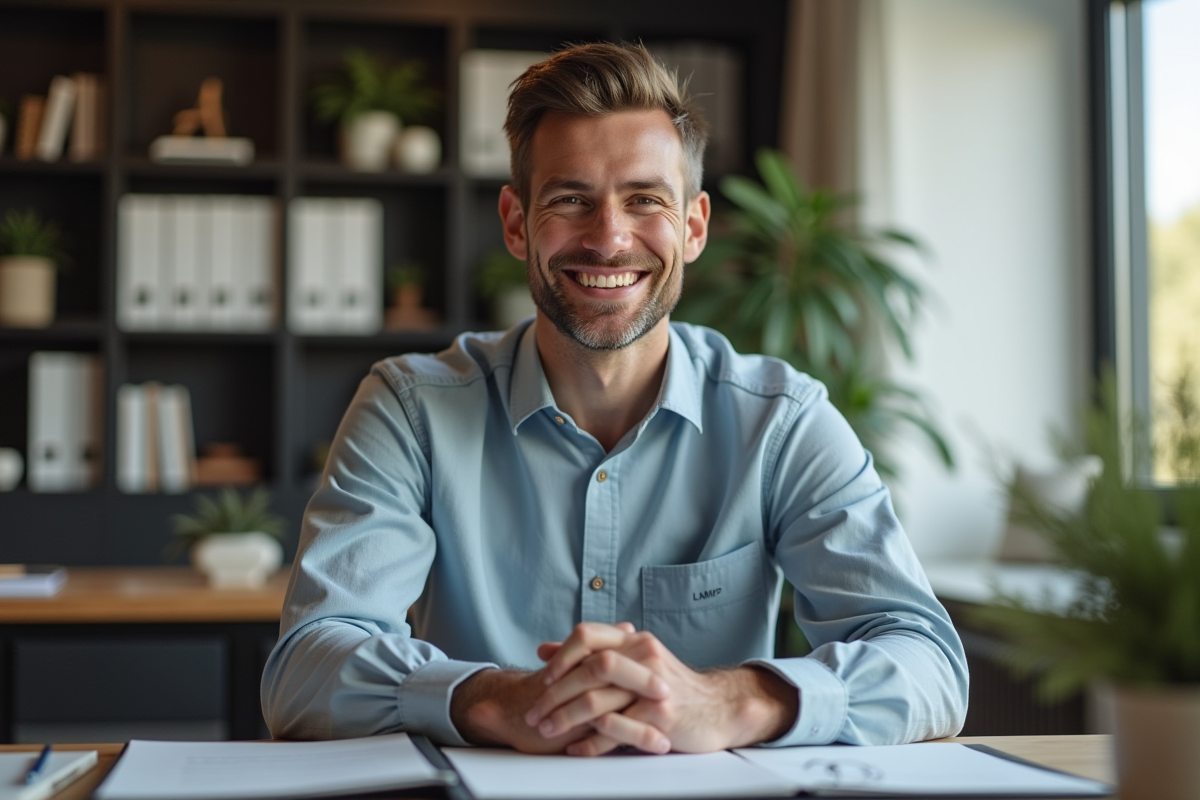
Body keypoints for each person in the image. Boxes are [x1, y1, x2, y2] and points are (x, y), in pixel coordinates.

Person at [262, 42, 967, 756]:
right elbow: (304, 670)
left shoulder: (781, 421)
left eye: (644, 200)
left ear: (693, 227)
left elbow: (930, 663)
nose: (609, 238)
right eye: (571, 200)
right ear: (515, 223)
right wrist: (490, 697)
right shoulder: (411, 409)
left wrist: (734, 701)